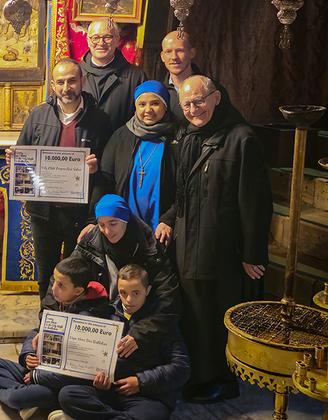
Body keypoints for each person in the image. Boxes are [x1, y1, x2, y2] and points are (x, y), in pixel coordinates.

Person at [174, 75, 272, 403]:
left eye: (199, 101)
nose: (193, 109)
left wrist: (253, 253)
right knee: (195, 316)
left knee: (218, 316)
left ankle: (222, 380)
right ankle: (200, 375)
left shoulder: (242, 139)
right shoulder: (188, 136)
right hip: (188, 247)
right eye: (186, 104)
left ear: (216, 97)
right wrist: (167, 220)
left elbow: (256, 202)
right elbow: (183, 192)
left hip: (221, 249)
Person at [5, 58, 111, 301]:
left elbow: (110, 170)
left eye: (72, 81)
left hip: (80, 214)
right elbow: (22, 154)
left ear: (81, 82)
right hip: (45, 213)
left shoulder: (100, 120)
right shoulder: (38, 115)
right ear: (53, 85)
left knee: (81, 276)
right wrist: (15, 160)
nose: (66, 87)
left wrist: (97, 168)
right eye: (60, 82)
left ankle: (76, 322)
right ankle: (47, 324)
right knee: (46, 273)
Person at [0, 257, 112, 419]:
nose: (53, 288)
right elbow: (37, 331)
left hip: (60, 384)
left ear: (78, 291)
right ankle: (29, 400)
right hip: (41, 369)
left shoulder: (91, 317)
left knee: (17, 398)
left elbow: (78, 369)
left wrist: (38, 376)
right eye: (54, 281)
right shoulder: (58, 301)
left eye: (61, 285)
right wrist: (28, 355)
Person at [57, 264, 190, 420]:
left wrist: (140, 382)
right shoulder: (108, 314)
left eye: (136, 293)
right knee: (67, 395)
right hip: (112, 390)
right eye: (123, 293)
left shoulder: (160, 321)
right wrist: (100, 379)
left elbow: (181, 368)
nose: (129, 300)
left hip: (148, 396)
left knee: (151, 414)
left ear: (147, 291)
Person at [71, 195, 181, 358]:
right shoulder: (91, 240)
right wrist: (46, 325)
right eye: (101, 225)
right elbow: (63, 278)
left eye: (113, 223)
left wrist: (140, 334)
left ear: (126, 219)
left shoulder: (149, 246)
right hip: (103, 313)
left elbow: (168, 297)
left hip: (140, 319)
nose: (107, 231)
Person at [88, 80, 178, 245]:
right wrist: (94, 220)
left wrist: (169, 219)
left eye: (155, 103)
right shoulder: (120, 136)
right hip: (124, 227)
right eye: (142, 104)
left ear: (165, 105)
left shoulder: (178, 137)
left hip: (163, 228)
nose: (148, 110)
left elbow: (185, 188)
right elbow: (105, 182)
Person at [80, 18, 147, 131]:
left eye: (107, 37)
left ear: (117, 40)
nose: (101, 43)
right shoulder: (76, 74)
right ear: (88, 41)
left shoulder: (136, 77)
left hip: (119, 144)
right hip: (82, 145)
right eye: (95, 38)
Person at [160, 30, 198, 124]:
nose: (174, 57)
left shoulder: (210, 89)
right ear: (162, 56)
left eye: (180, 51)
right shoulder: (157, 92)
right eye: (168, 52)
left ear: (192, 53)